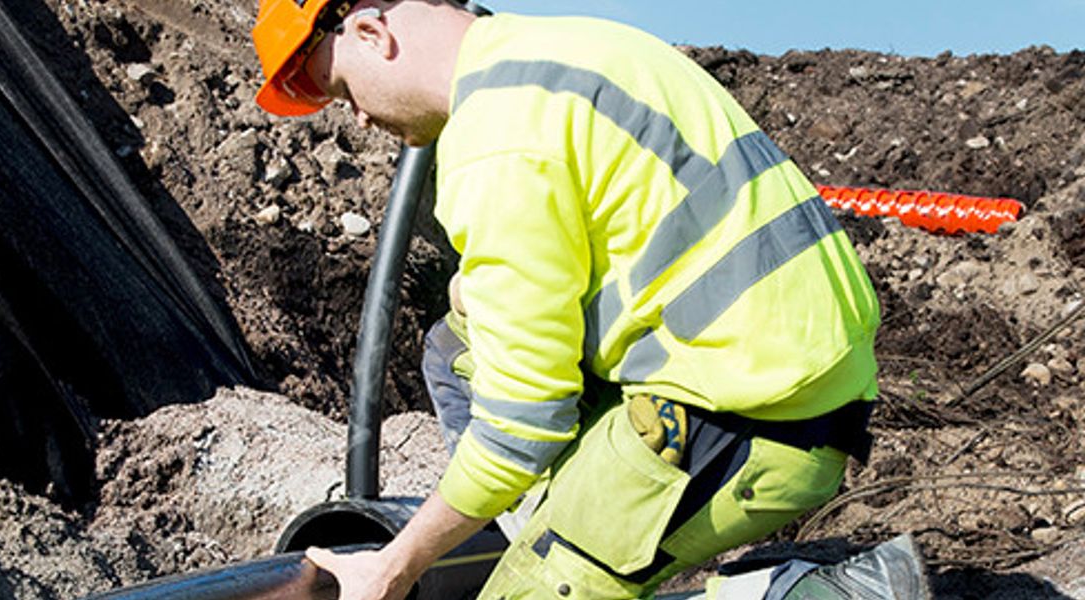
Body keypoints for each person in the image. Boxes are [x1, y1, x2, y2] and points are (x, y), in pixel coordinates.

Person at [249, 1, 928, 599]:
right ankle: (563, 534)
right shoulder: (570, 48)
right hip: (785, 368)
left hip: (757, 417)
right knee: (457, 342)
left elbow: (520, 427)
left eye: (344, 93)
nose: (360, 119)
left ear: (371, 33)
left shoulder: (497, 142)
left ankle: (814, 594)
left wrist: (395, 564)